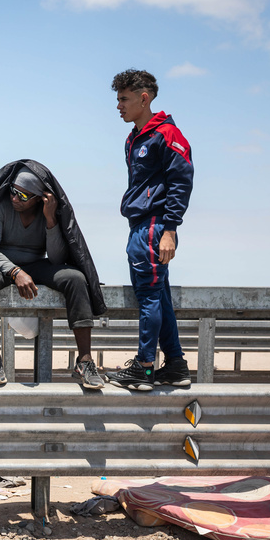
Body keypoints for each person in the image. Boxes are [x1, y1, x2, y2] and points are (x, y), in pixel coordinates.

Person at [0, 161, 107, 387]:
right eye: (13, 191)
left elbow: (56, 258)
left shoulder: (47, 213)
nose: (14, 198)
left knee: (76, 278)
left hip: (36, 264)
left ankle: (84, 361)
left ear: (39, 198)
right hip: (1, 264)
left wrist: (51, 220)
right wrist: (15, 271)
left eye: (22, 196)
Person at [107, 69, 194, 391]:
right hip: (140, 225)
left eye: (124, 99)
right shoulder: (135, 137)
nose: (118, 106)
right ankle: (176, 365)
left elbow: (181, 182)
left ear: (144, 99)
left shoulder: (166, 134)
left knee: (149, 297)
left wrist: (170, 230)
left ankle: (144, 369)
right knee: (160, 297)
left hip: (154, 226)